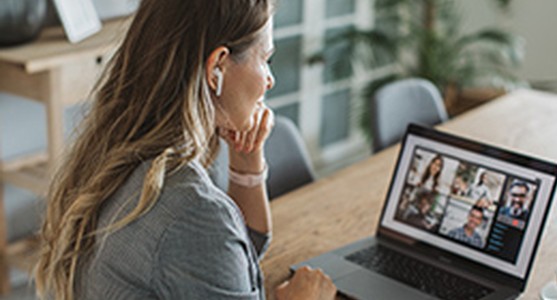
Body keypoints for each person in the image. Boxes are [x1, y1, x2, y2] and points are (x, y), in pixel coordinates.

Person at [34, 1, 336, 300]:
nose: (269, 79)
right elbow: (211, 244)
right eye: (265, 58)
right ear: (217, 65)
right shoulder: (193, 210)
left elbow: (233, 258)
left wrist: (246, 162)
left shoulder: (112, 152)